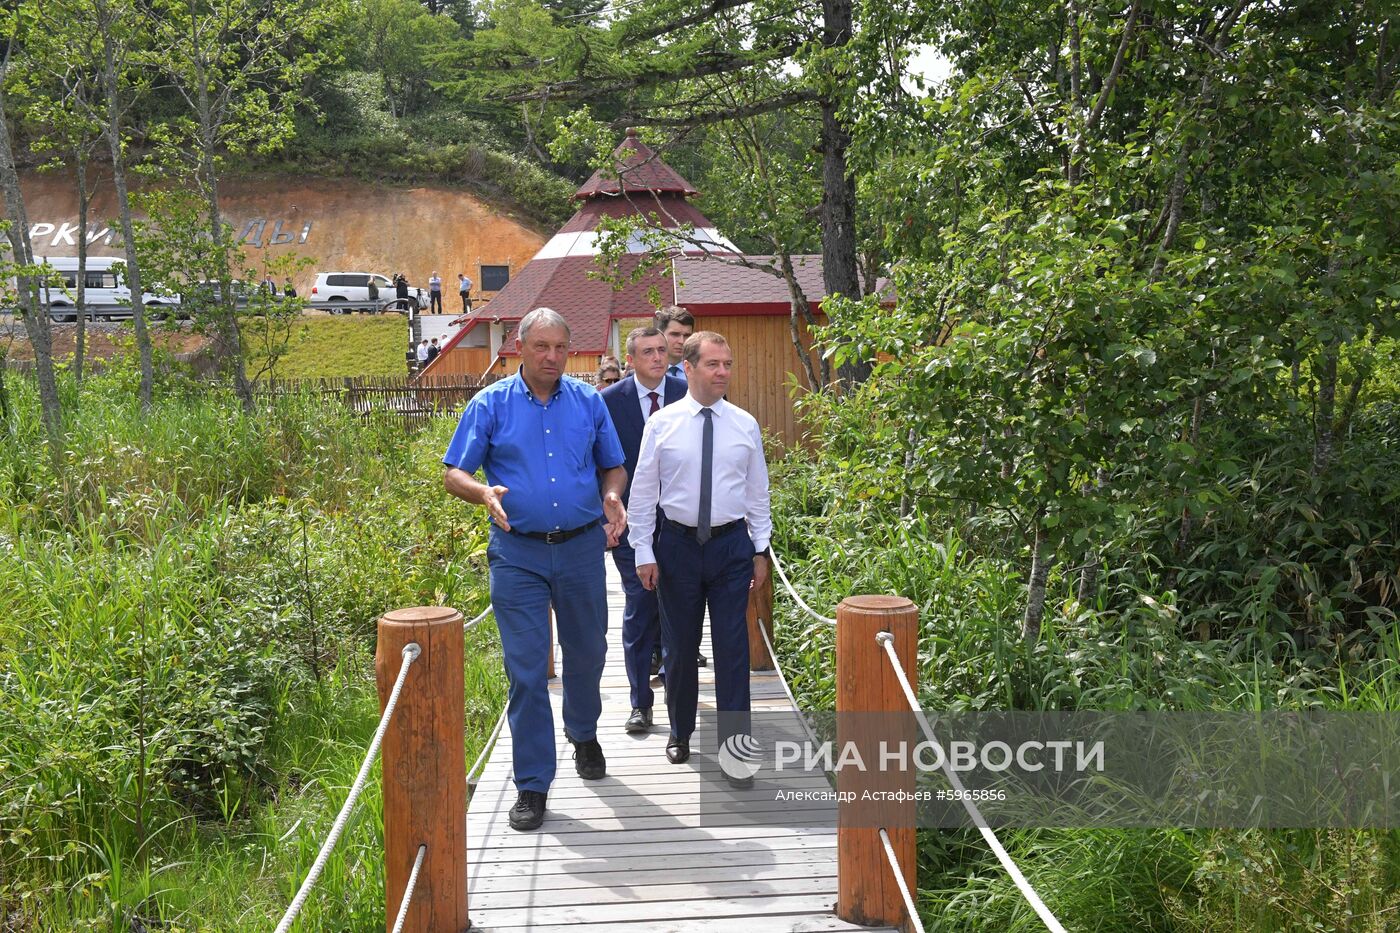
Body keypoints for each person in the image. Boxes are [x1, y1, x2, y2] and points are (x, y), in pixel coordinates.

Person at [443, 307, 628, 831]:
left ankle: (583, 730)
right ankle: (532, 783)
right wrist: (481, 492)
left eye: (561, 348)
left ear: (572, 351)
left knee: (589, 652)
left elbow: (613, 466)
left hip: (581, 549)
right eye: (541, 346)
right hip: (517, 552)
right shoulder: (491, 404)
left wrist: (612, 496)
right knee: (525, 670)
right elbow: (454, 471)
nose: (551, 357)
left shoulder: (589, 402)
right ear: (519, 347)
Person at [628, 332, 771, 787]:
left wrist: (760, 549)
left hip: (731, 548)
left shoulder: (745, 424)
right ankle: (680, 731)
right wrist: (643, 549)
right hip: (677, 547)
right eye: (713, 364)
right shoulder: (663, 423)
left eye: (727, 364)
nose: (723, 372)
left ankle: (735, 752)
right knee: (680, 647)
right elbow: (644, 491)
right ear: (687, 368)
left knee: (732, 652)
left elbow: (757, 493)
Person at [599, 327, 685, 734]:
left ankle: (676, 692)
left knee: (681, 609)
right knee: (640, 607)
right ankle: (640, 702)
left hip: (684, 525)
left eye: (662, 351)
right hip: (630, 524)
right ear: (630, 359)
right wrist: (604, 511)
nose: (657, 357)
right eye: (648, 351)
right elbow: (594, 462)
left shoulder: (689, 393)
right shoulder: (608, 403)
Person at [653, 306, 694, 383]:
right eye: (675, 334)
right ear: (660, 334)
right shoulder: (641, 375)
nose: (682, 341)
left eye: (686, 335)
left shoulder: (701, 373)